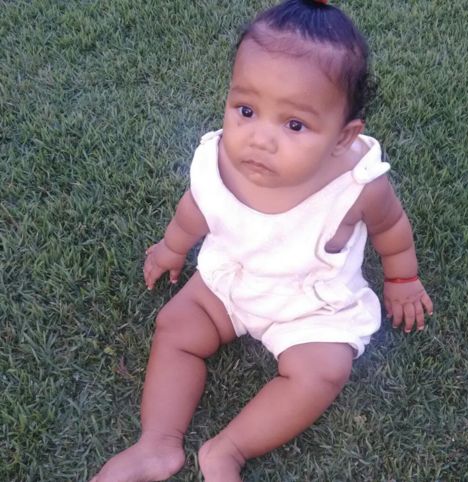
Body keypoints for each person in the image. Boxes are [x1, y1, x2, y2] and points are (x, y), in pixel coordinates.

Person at [91, 0, 433, 480]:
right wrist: (172, 247)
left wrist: (402, 279)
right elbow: (196, 210)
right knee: (175, 327)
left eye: (294, 125)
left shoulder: (357, 184)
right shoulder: (219, 162)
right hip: (232, 278)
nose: (259, 139)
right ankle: (156, 444)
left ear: (342, 137)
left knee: (323, 370)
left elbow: (391, 228)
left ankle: (228, 449)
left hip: (311, 302)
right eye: (247, 110)